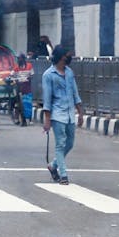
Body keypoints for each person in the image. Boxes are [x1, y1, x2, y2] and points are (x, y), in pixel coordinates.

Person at [41, 44, 80, 185]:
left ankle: (53, 165)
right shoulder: (48, 75)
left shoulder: (69, 73)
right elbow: (47, 99)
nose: (69, 57)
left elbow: (75, 93)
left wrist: (80, 112)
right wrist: (47, 120)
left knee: (69, 144)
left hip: (70, 113)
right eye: (66, 55)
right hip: (57, 114)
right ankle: (63, 175)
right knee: (60, 144)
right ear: (60, 57)